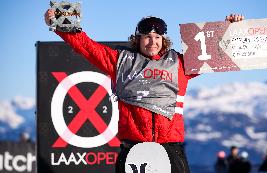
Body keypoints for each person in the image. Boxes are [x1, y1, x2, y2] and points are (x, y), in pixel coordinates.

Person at [44, 9, 244, 173]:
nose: (152, 42)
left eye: (157, 37)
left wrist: (229, 28)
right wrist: (58, 23)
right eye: (147, 37)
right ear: (138, 39)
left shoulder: (180, 64)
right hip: (133, 149)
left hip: (171, 149)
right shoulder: (120, 61)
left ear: (163, 40)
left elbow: (214, 54)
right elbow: (86, 46)